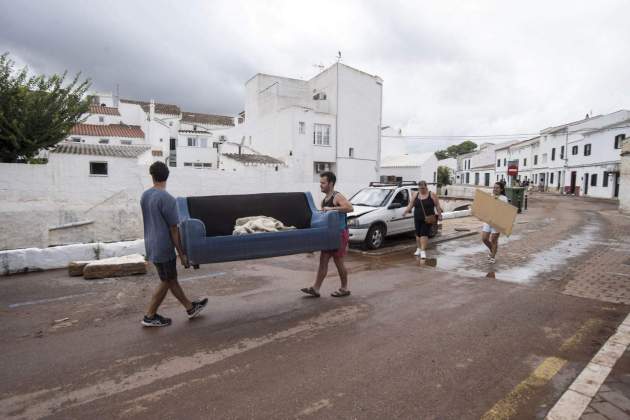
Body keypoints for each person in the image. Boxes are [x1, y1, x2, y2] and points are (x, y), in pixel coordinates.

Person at [140, 161, 208, 327]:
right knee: (167, 279)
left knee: (170, 279)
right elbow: (174, 229)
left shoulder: (145, 195)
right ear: (167, 176)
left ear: (152, 175)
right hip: (163, 246)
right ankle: (150, 315)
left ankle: (190, 307)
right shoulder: (168, 199)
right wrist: (182, 253)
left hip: (150, 243)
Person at [301, 171, 354, 298]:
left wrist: (332, 209)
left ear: (330, 183)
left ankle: (344, 288)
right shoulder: (324, 200)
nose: (321, 185)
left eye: (323, 183)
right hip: (328, 235)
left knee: (338, 261)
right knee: (323, 260)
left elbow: (350, 208)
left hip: (339, 234)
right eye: (320, 183)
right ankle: (316, 288)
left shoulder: (337, 196)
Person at [403, 180, 442, 259]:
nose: (422, 190)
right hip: (417, 217)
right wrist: (405, 212)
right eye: (420, 188)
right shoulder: (416, 195)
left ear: (426, 187)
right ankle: (418, 248)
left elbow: (437, 205)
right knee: (418, 234)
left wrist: (440, 215)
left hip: (428, 218)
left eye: (423, 188)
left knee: (424, 234)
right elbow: (411, 204)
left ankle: (423, 251)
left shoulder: (432, 195)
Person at [481, 181, 509, 264]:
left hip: (497, 221)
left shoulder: (504, 198)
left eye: (497, 188)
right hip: (488, 220)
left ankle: (493, 256)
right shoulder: (490, 196)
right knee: (484, 238)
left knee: (494, 240)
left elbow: (504, 210)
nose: (495, 189)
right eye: (494, 187)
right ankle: (493, 250)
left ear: (501, 189)